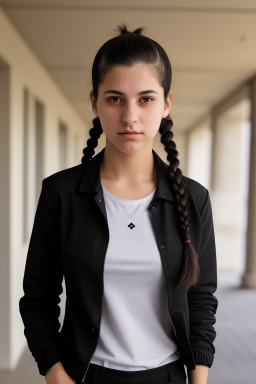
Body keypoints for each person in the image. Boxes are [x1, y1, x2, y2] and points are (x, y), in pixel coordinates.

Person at [19, 24, 218, 384]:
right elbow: (38, 298)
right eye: (115, 99)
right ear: (94, 101)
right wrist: (55, 374)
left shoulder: (193, 199)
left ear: (166, 103)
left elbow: (201, 299)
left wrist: (199, 378)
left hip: (168, 377)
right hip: (85, 376)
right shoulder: (60, 194)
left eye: (145, 99)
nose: (130, 116)